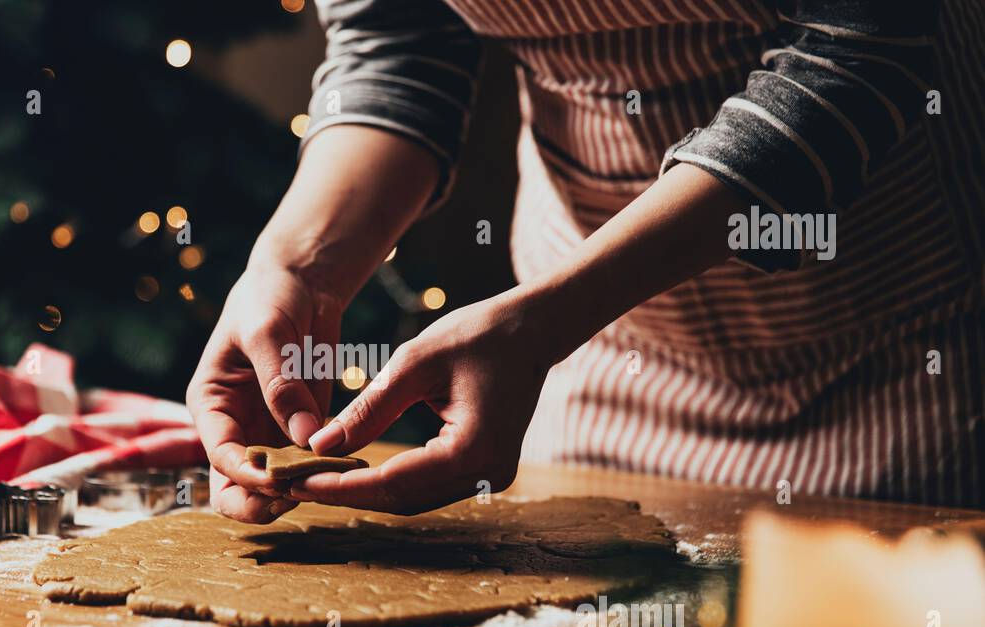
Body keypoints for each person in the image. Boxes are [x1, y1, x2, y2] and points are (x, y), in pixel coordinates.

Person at [187, 0, 985, 523]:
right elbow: (397, 45)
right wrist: (294, 265)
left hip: (895, 347)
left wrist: (542, 322)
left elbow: (855, 53)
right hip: (589, 352)